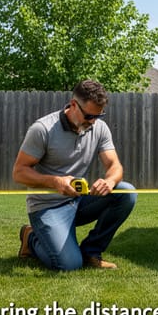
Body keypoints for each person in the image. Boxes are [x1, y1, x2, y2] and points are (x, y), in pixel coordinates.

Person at [13, 80, 136, 270]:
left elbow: (114, 165)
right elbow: (19, 173)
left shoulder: (99, 127)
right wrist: (55, 182)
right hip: (47, 207)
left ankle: (91, 252)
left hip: (79, 200)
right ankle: (31, 239)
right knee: (69, 265)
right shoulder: (43, 129)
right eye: (89, 115)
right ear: (73, 105)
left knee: (126, 192)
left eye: (98, 115)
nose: (93, 121)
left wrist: (110, 181)